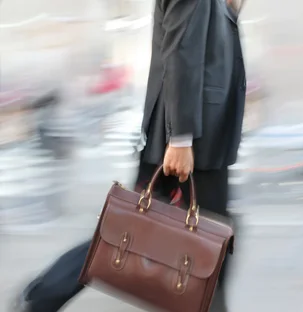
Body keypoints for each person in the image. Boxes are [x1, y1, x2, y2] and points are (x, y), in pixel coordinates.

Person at [11, 0, 246, 311]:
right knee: (191, 240)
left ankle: (43, 295)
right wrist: (180, 138)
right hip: (190, 143)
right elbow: (182, 54)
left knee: (148, 232)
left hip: (202, 140)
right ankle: (43, 295)